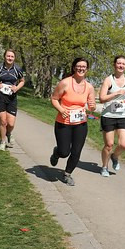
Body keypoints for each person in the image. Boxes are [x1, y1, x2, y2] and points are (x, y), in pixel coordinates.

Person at [50, 58, 95, 186]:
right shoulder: (65, 83)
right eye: (79, 66)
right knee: (64, 152)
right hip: (63, 122)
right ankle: (57, 152)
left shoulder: (89, 87)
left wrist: (92, 107)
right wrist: (60, 109)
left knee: (76, 151)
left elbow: (91, 107)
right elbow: (54, 99)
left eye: (84, 67)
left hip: (80, 123)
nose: (81, 68)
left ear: (87, 69)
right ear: (74, 67)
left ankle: (67, 174)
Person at [98, 55, 125, 177]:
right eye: (118, 63)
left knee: (123, 144)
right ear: (114, 65)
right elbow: (102, 98)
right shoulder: (108, 80)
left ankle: (114, 156)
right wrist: (116, 93)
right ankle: (104, 167)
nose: (121, 66)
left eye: (123, 64)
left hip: (123, 115)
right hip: (108, 115)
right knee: (109, 144)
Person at [0, 49, 26, 149]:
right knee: (3, 122)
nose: (10, 58)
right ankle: (2, 142)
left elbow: (22, 81)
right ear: (4, 57)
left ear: (14, 58)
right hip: (0, 96)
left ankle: (8, 133)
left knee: (11, 123)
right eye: (8, 56)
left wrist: (17, 88)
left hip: (12, 97)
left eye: (12, 56)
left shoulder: (17, 69)